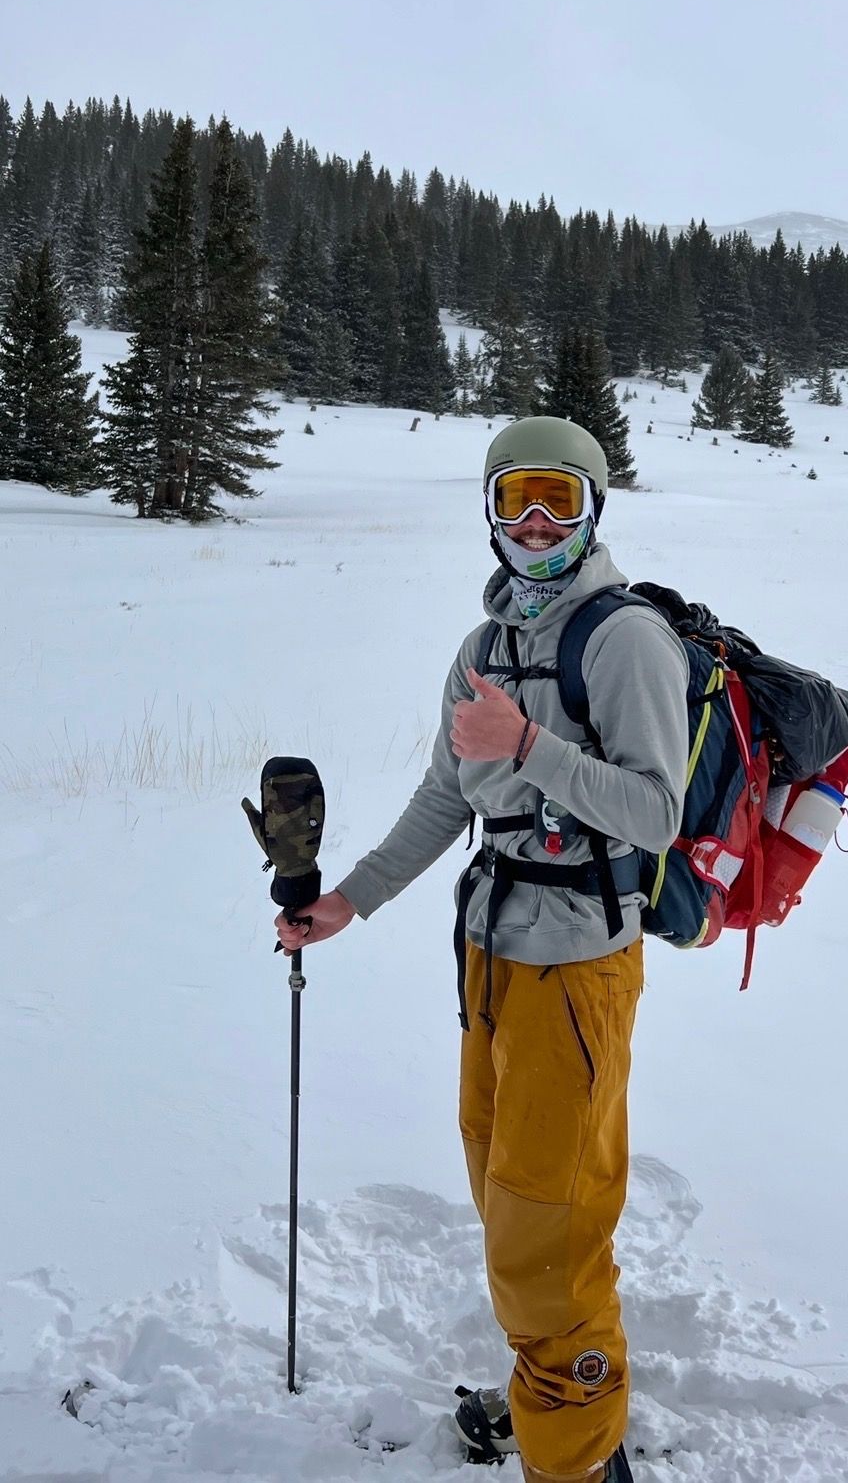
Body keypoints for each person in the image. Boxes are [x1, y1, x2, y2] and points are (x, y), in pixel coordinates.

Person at [276, 415, 689, 1483]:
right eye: (517, 499)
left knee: (547, 1224)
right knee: (505, 1190)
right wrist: (350, 901)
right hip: (490, 960)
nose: (538, 521)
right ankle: (545, 1392)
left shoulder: (625, 637)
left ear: (594, 507)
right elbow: (444, 794)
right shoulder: (486, 644)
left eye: (559, 496)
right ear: (491, 511)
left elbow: (654, 813)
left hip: (578, 962)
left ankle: (581, 1451)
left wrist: (530, 745)